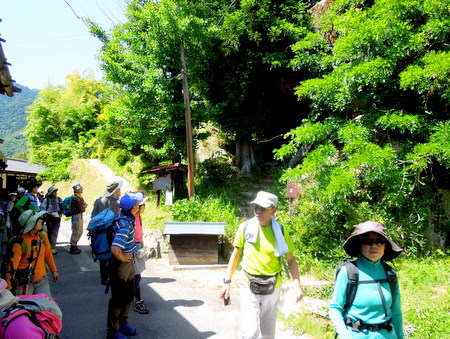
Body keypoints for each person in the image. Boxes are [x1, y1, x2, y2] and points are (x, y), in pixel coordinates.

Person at [220, 191, 304, 339]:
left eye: (262, 208)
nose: (258, 211)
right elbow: (236, 254)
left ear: (274, 210)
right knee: (250, 333)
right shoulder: (245, 227)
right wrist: (228, 282)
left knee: (267, 335)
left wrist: (297, 285)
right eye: (255, 207)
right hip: (248, 285)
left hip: (273, 286)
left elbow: (291, 259)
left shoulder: (281, 231)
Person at [329, 221, 404, 339]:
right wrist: (344, 335)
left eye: (379, 241)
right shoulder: (348, 272)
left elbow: (396, 311)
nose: (374, 246)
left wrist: (400, 336)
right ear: (360, 246)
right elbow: (335, 308)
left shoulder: (390, 274)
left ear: (385, 245)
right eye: (368, 241)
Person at [107, 193, 139, 339]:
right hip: (121, 265)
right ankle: (113, 331)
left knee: (128, 294)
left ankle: (123, 323)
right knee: (118, 299)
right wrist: (123, 257)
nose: (139, 205)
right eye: (137, 204)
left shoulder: (125, 217)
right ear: (132, 208)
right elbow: (115, 248)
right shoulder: (125, 225)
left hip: (129, 263)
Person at [7, 210, 59, 296]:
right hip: (23, 283)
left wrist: (54, 270)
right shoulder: (19, 243)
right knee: (26, 308)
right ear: (32, 224)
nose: (42, 220)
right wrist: (8, 290)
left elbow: (48, 254)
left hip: (42, 280)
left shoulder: (42, 236)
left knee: (47, 306)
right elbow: (11, 268)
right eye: (39, 219)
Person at [91, 180, 123, 285]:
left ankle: (105, 277)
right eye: (119, 189)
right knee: (109, 253)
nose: (120, 191)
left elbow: (93, 216)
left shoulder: (100, 200)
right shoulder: (113, 202)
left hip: (101, 231)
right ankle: (109, 276)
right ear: (116, 190)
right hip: (109, 231)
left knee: (104, 253)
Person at [131, 192, 149, 314]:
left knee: (137, 275)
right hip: (132, 247)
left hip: (138, 245)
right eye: (143, 204)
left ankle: (130, 297)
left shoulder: (138, 216)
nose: (144, 207)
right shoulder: (130, 218)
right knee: (136, 276)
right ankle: (138, 302)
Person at [40, 187, 63, 255]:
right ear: (50, 193)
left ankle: (52, 247)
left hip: (57, 218)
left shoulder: (59, 199)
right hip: (49, 218)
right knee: (50, 232)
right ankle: (49, 246)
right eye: (54, 192)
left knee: (55, 232)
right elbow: (42, 209)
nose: (55, 193)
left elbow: (63, 207)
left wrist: (61, 214)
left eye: (55, 191)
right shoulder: (46, 200)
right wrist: (48, 213)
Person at [69, 183, 87, 255]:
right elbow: (81, 208)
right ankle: (73, 246)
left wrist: (83, 206)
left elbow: (83, 206)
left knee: (79, 230)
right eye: (81, 188)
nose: (82, 189)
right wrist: (84, 206)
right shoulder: (75, 198)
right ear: (77, 189)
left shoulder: (79, 197)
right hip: (76, 215)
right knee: (76, 230)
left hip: (79, 215)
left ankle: (74, 245)